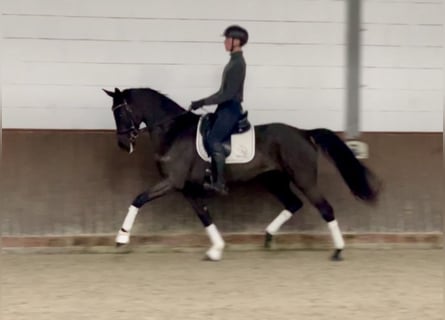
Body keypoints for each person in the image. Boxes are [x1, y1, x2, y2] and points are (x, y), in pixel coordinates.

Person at [189, 25, 249, 195]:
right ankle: (211, 169)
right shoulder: (233, 61)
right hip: (224, 107)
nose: (225, 42)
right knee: (206, 131)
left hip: (231, 108)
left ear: (236, 41)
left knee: (213, 138)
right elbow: (221, 92)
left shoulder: (238, 63)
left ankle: (219, 183)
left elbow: (228, 94)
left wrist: (202, 102)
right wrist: (203, 101)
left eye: (227, 39)